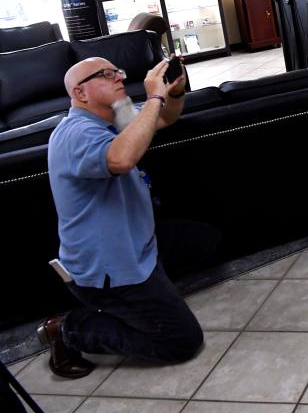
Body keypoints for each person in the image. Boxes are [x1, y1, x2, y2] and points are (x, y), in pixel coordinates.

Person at [38, 56, 203, 378]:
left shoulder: (115, 116)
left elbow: (164, 119)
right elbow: (121, 158)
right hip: (108, 267)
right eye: (106, 74)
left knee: (202, 239)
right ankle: (68, 329)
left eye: (118, 71)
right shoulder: (75, 133)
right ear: (80, 93)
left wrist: (174, 92)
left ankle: (143, 301)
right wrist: (154, 96)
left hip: (137, 245)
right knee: (182, 342)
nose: (119, 77)